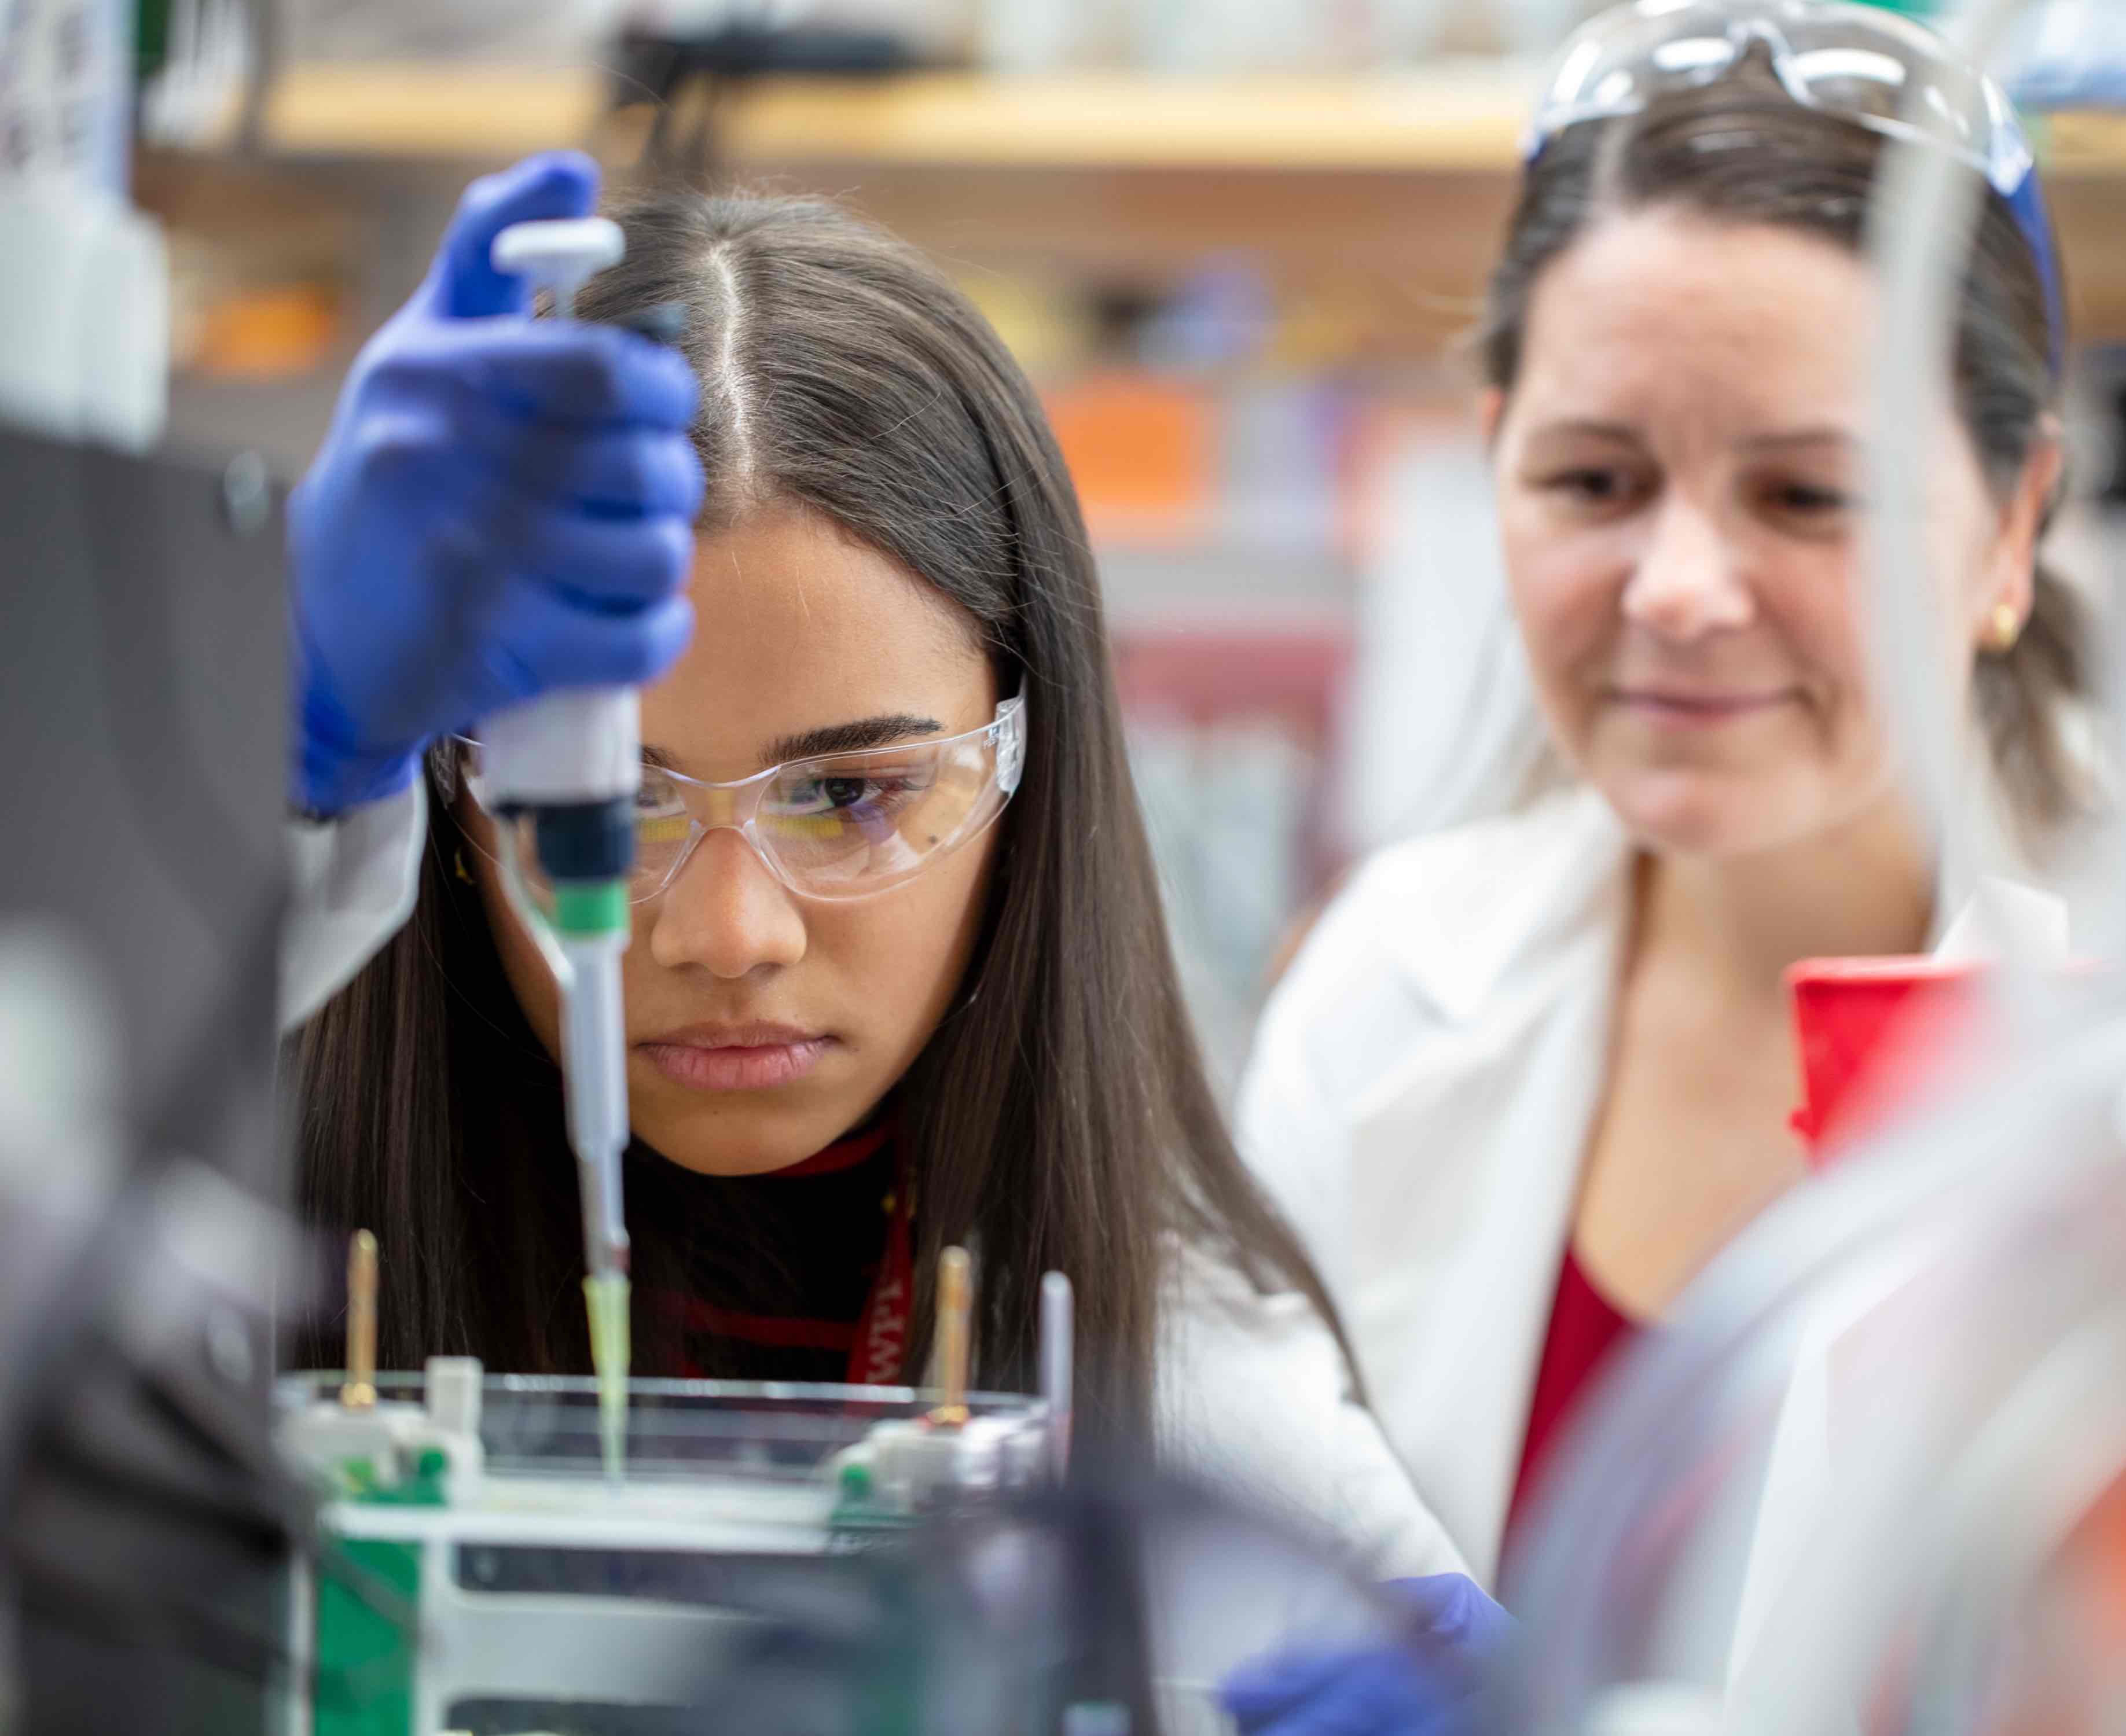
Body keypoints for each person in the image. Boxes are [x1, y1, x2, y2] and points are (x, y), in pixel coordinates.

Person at [278, 151, 1464, 1595]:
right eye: (610, 801)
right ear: (442, 785)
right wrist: (274, 787)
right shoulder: (226, 1261)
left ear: (1028, 775)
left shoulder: (1214, 1405)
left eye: (848, 795)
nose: (731, 935)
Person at [1238, 0, 2097, 1609]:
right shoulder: (1378, 996)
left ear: (2011, 524)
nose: (1680, 588)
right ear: (1494, 462)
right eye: (1595, 482)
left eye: (1806, 494)